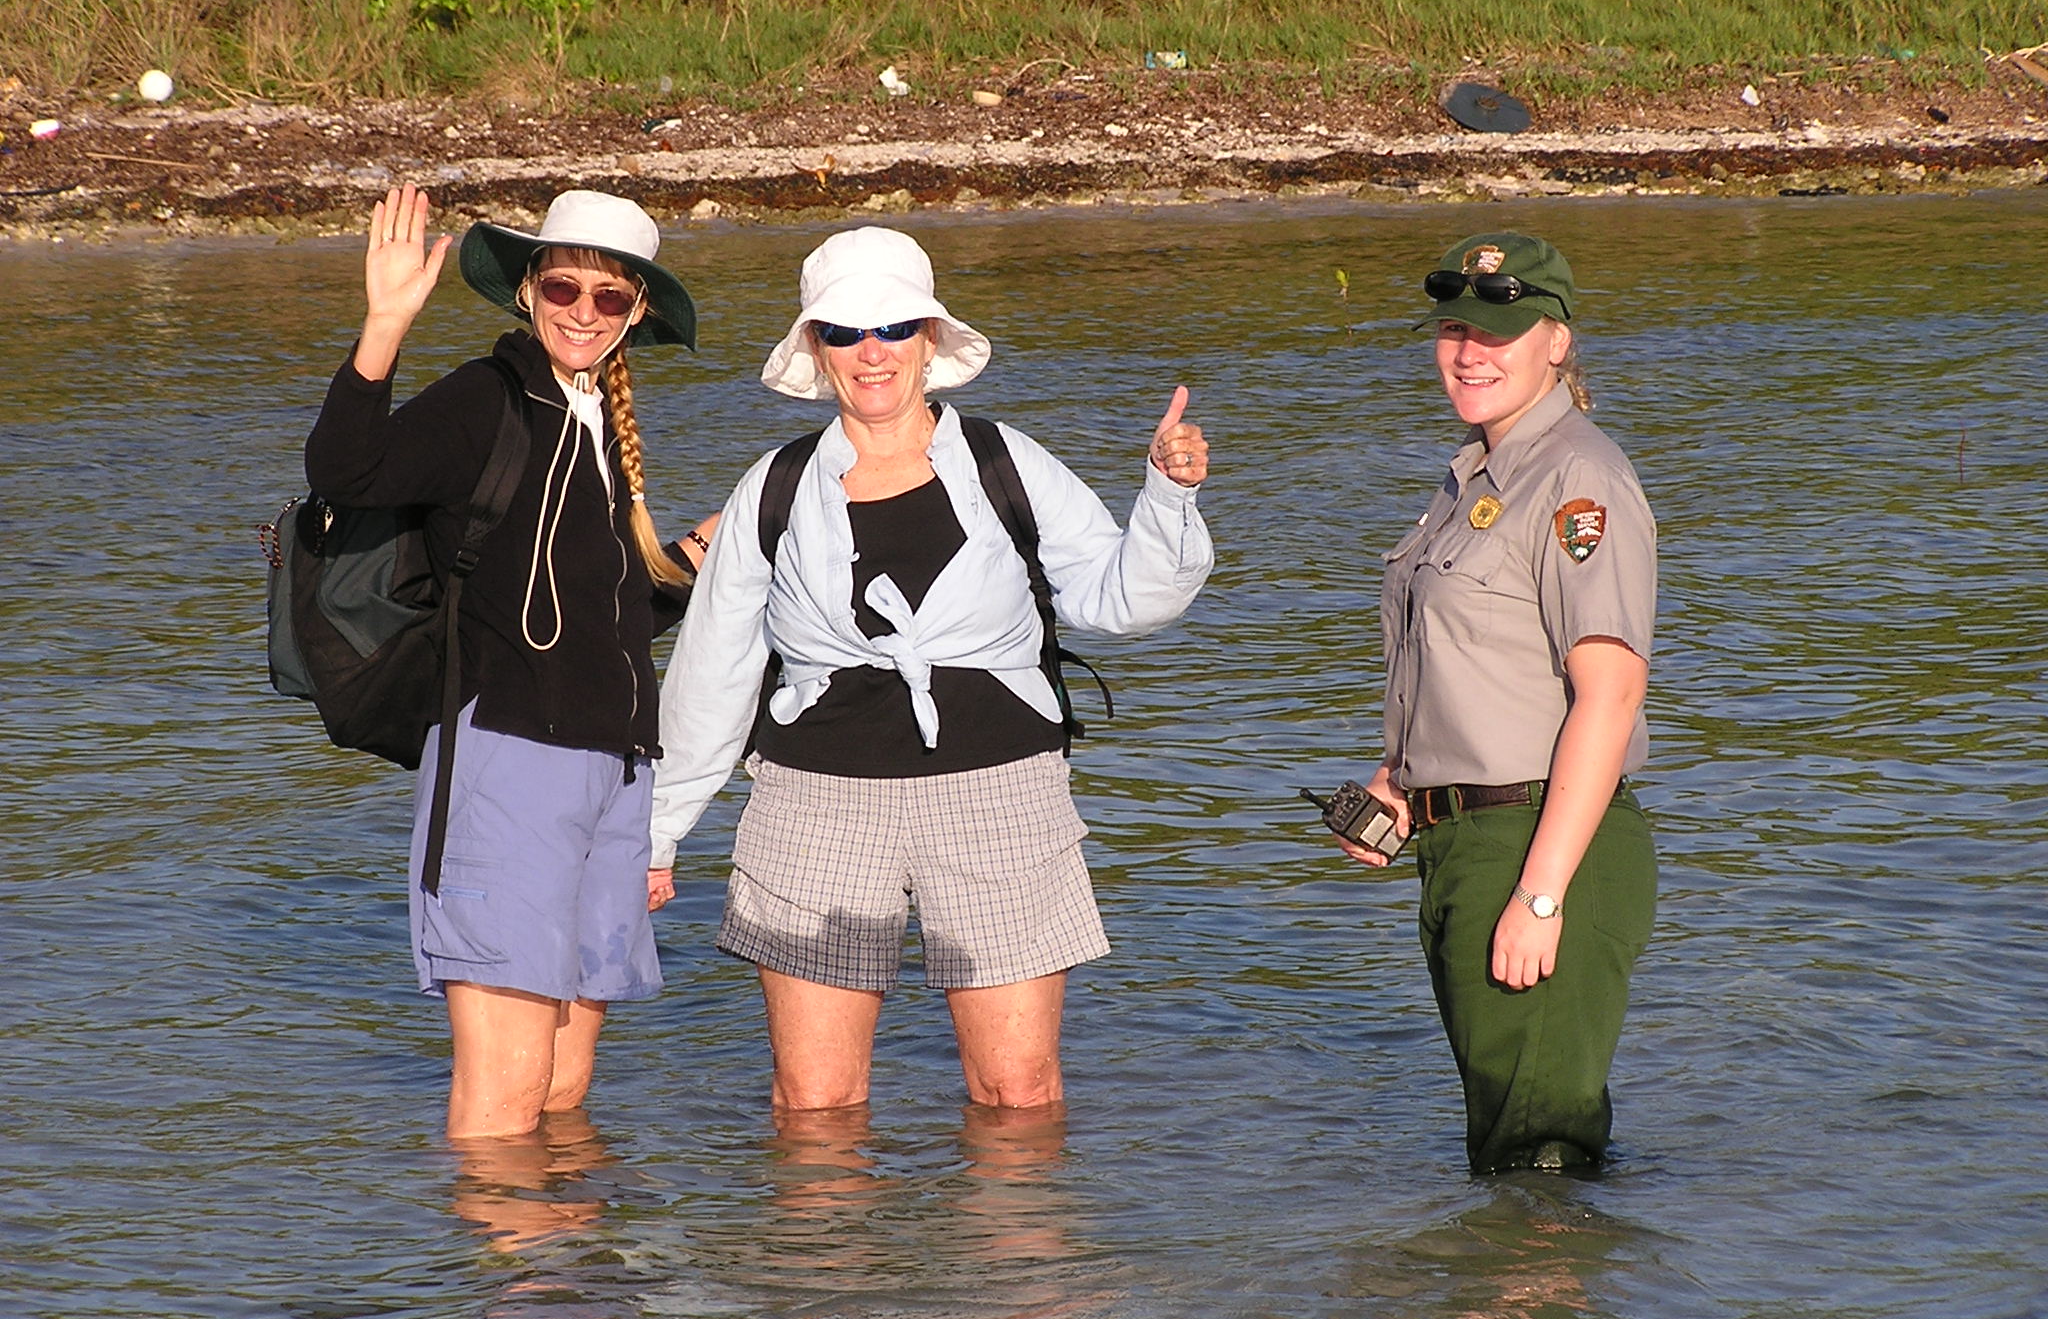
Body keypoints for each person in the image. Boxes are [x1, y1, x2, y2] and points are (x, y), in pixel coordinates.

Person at [646, 226, 1213, 1114]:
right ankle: (824, 1260)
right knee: (815, 1101)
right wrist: (659, 830)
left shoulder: (1004, 459)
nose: (871, 353)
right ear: (815, 350)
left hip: (1002, 795)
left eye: (895, 327)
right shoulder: (773, 486)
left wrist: (1168, 497)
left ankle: (1026, 1262)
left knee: (1018, 1095)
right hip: (813, 808)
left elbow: (1123, 600)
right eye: (842, 332)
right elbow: (711, 673)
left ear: (929, 341)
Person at [305, 184, 710, 1138]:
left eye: (609, 298)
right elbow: (347, 472)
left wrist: (690, 559)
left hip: (613, 771)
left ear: (636, 312)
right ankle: (500, 1283)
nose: (583, 310)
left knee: (565, 1091)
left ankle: (576, 1284)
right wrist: (386, 322)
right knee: (503, 1103)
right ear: (529, 291)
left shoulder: (601, 422)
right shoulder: (488, 397)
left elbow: (591, 615)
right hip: (509, 765)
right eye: (564, 287)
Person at [1332, 231, 1658, 1173]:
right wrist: (1399, 786)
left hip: (1545, 843)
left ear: (1557, 340)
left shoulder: (1576, 479)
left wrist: (1543, 894)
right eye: (1454, 329)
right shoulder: (1473, 477)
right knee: (1507, 1146)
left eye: (1501, 330)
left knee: (1536, 1158)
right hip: (1460, 848)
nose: (1471, 352)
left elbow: (1610, 695)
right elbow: (1476, 665)